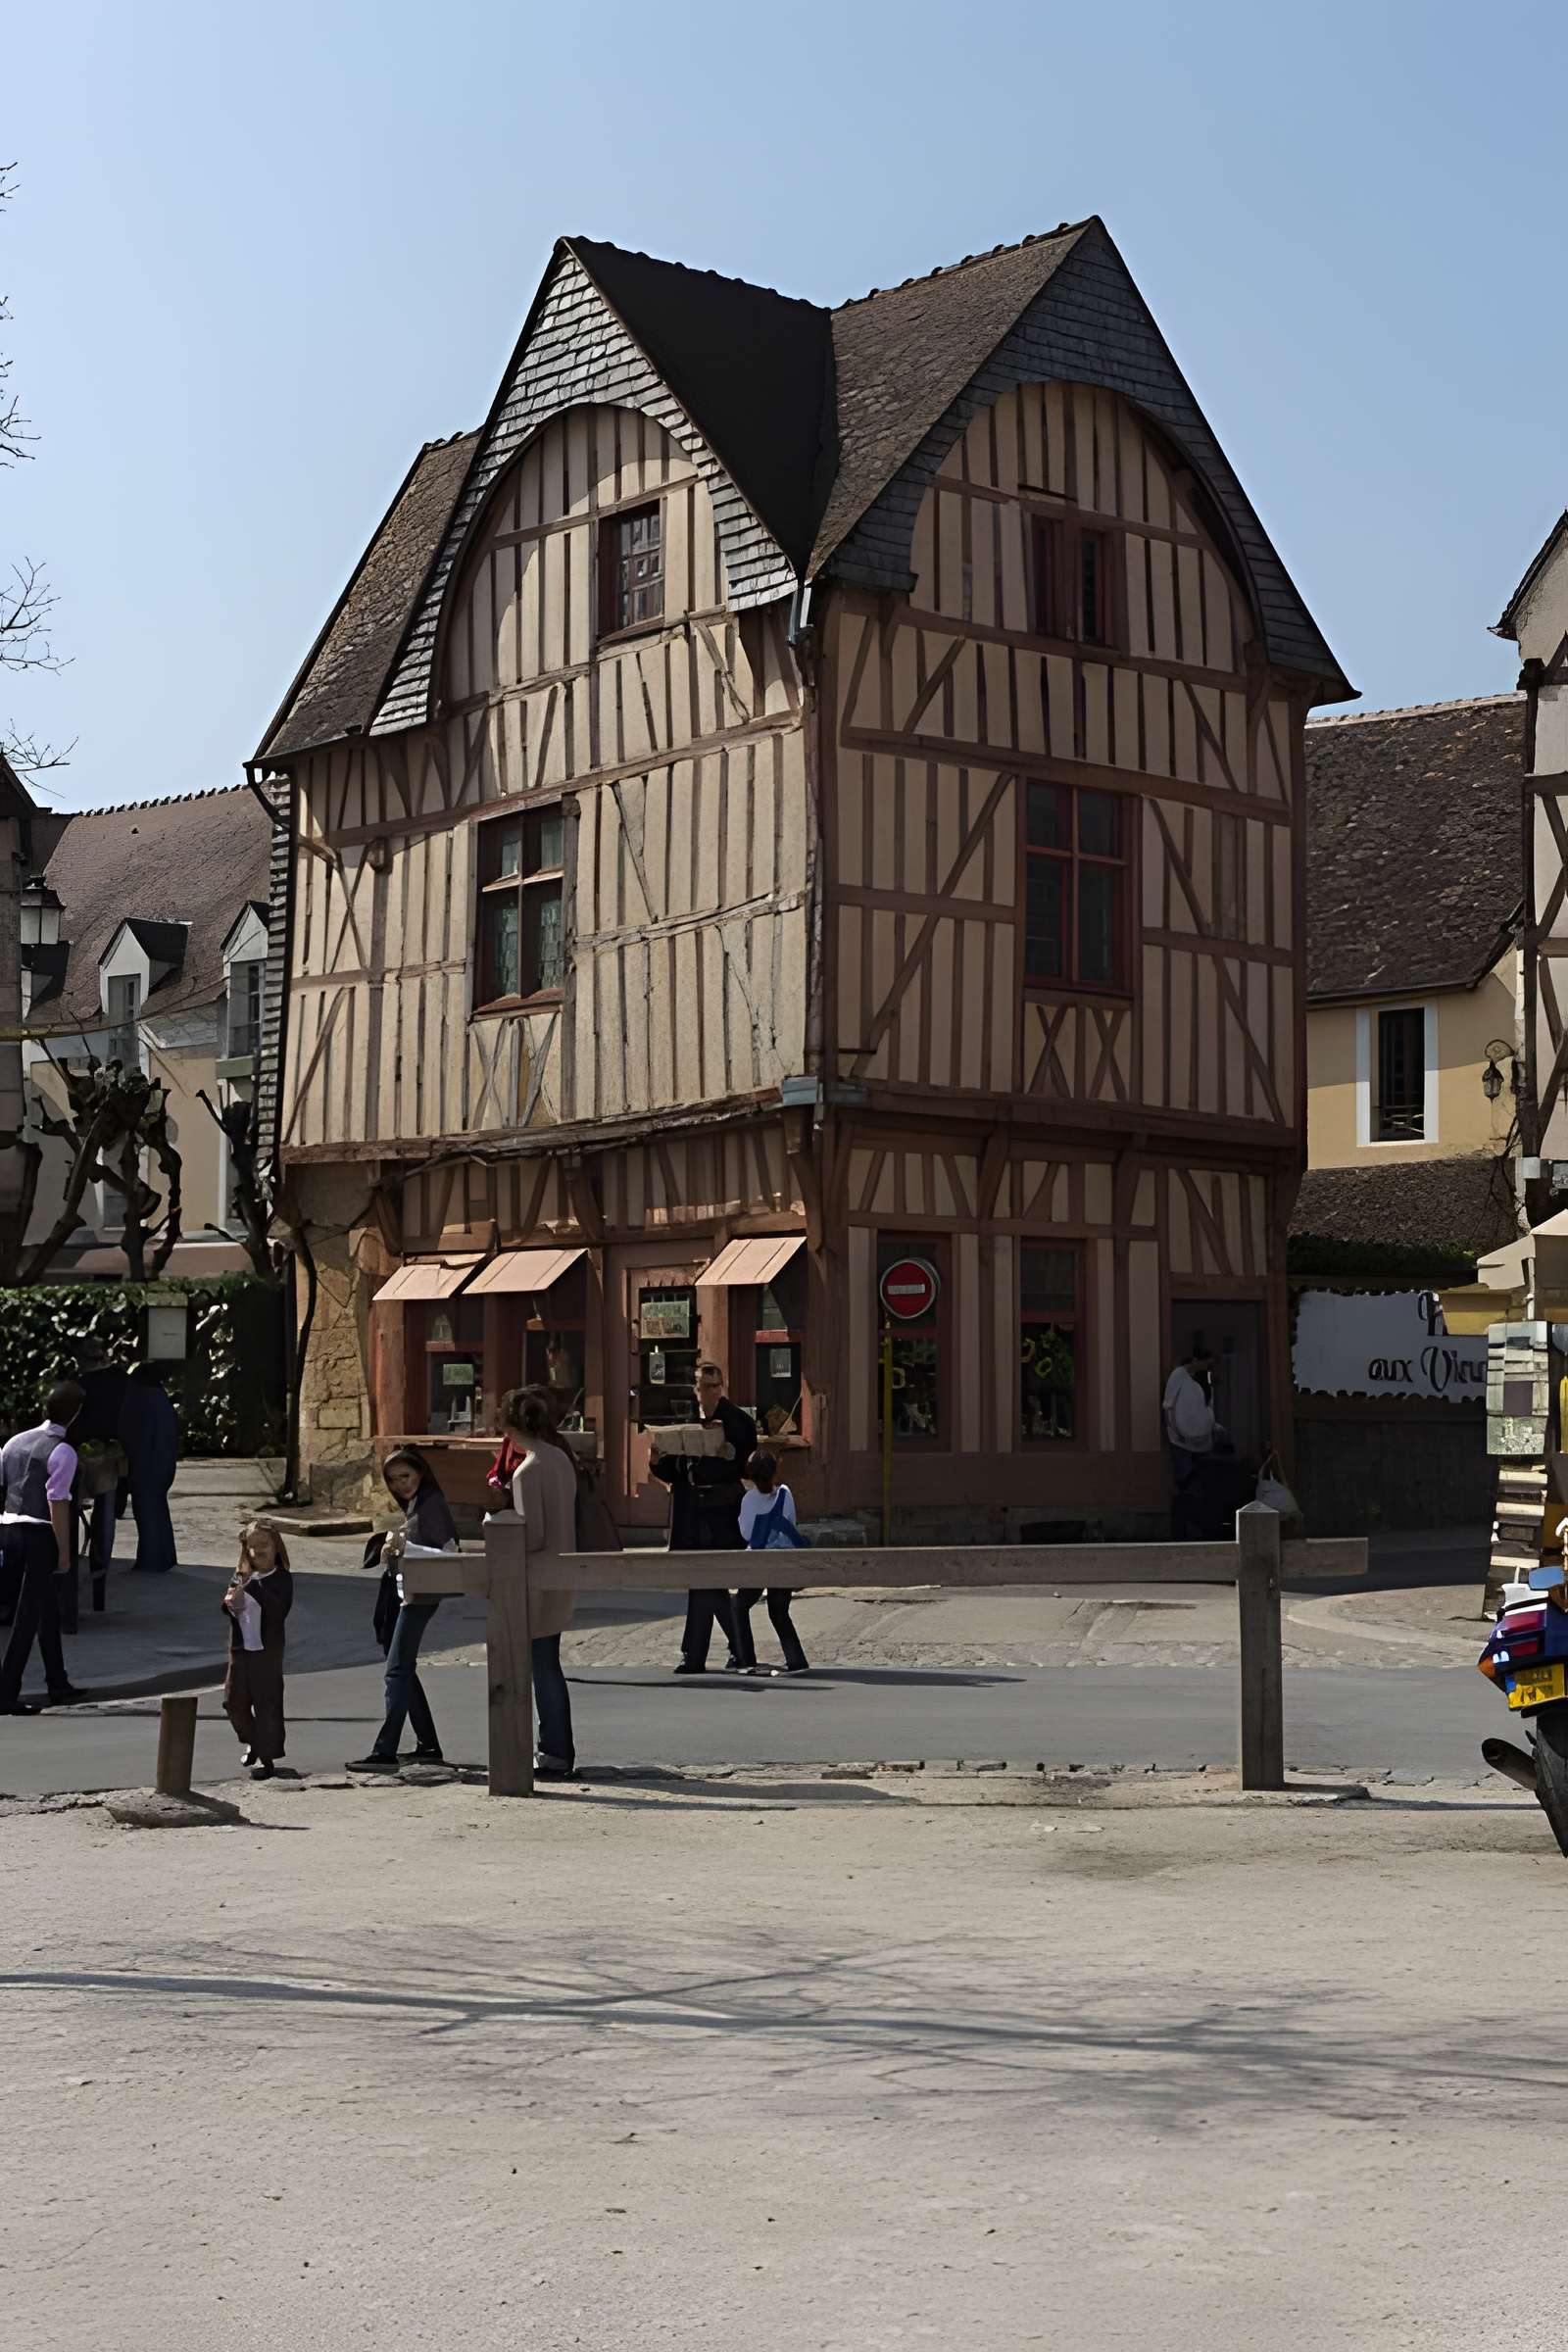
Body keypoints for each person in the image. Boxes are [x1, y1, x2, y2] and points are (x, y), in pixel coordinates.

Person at [348, 1447, 459, 1774]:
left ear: (420, 1473)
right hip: (412, 1593)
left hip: (420, 1595)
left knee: (396, 1670)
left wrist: (399, 1545)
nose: (400, 1484)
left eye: (405, 1476)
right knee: (402, 1669)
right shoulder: (419, 1504)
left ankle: (385, 1751)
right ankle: (428, 1745)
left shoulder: (431, 1504)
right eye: (393, 1480)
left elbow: (447, 1551)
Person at [651, 1360, 756, 1675]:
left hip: (720, 1511)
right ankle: (730, 1651)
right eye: (699, 1385)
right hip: (690, 1511)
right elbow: (673, 1470)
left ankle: (698, 1655)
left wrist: (729, 1455)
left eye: (711, 1385)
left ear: (720, 1388)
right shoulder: (685, 1421)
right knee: (706, 1583)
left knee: (707, 1582)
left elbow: (748, 1464)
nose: (704, 1392)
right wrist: (656, 1462)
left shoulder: (737, 1421)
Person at [500, 1388, 581, 1781]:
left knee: (542, 1667)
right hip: (564, 1569)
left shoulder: (527, 1470)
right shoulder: (562, 1458)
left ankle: (554, 1752)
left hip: (536, 1577)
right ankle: (558, 1749)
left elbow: (532, 1535)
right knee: (550, 1664)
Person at [0, 1379, 87, 1715]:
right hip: (39, 1534)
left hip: (8, 1529)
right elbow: (57, 1504)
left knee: (44, 1608)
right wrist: (64, 1553)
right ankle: (7, 1693)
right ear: (76, 1415)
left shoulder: (14, 1442)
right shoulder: (63, 1451)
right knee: (27, 1616)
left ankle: (58, 1682)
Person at [221, 1519, 293, 1779]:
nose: (258, 1552)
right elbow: (229, 1607)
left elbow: (277, 1610)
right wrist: (230, 1601)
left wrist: (249, 1587)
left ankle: (267, 1757)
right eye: (252, 1547)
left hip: (267, 1654)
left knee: (268, 1706)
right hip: (240, 1652)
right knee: (233, 1702)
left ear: (276, 1547)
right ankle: (253, 1741)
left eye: (264, 1545)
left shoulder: (281, 1579)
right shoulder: (241, 1575)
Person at [734, 1448, 809, 1677]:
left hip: (758, 1561)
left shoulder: (748, 1499)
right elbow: (790, 1522)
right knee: (778, 1611)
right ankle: (796, 1660)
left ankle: (745, 1658)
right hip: (783, 1560)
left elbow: (746, 1532)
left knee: (739, 1607)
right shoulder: (785, 1493)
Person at [74, 1340, 128, 1587]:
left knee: (71, 1506)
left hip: (84, 1453)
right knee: (105, 1510)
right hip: (112, 1449)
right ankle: (100, 1564)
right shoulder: (120, 1382)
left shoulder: (80, 1386)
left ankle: (71, 1562)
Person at [121, 1362, 178, 1573]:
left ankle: (151, 1560)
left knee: (145, 1511)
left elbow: (129, 1432)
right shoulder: (160, 1398)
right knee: (158, 1509)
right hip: (163, 1463)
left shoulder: (139, 1399)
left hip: (146, 1464)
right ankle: (164, 1557)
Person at [1163, 1342, 1218, 1536]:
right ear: (1195, 1360)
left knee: (1198, 1481)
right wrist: (1174, 1430)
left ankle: (1194, 1524)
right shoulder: (1179, 1375)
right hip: (1180, 1440)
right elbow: (1169, 1405)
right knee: (1185, 1481)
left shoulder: (1197, 1382)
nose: (1206, 1368)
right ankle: (1184, 1525)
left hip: (1198, 1442)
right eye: (1205, 1363)